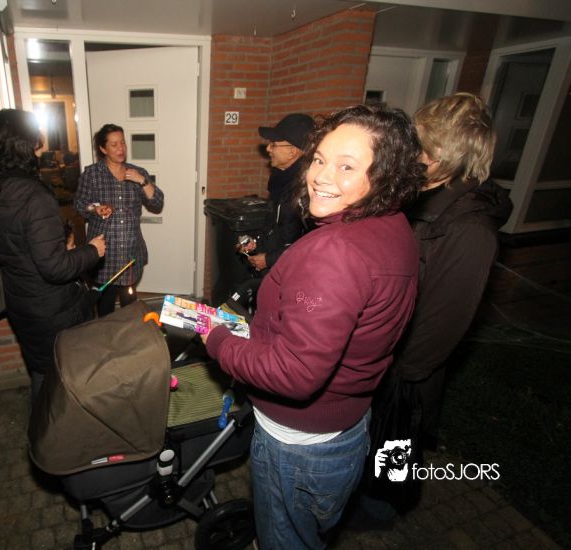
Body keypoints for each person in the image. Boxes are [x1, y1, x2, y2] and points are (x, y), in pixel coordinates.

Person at [202, 105, 425, 549]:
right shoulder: (394, 226)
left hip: (298, 445)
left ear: (386, 176)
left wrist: (217, 338)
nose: (321, 176)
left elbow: (296, 374)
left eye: (347, 166)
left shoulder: (335, 251)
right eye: (320, 159)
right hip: (343, 426)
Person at [397, 92, 513, 448]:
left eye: (417, 143)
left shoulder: (470, 229)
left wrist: (395, 376)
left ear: (438, 154)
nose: (408, 151)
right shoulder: (420, 197)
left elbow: (443, 321)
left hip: (402, 382)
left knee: (387, 470)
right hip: (381, 364)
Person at [0, 109, 106, 407]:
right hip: (52, 308)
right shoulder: (34, 194)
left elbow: (14, 240)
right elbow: (54, 267)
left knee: (43, 370)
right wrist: (92, 250)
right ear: (24, 144)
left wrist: (58, 239)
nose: (40, 147)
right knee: (68, 376)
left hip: (19, 299)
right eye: (35, 141)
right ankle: (65, 431)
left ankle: (42, 429)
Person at [74, 123, 164, 316]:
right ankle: (107, 333)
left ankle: (129, 332)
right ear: (103, 149)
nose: (121, 148)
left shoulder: (137, 172)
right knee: (105, 306)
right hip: (104, 255)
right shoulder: (92, 174)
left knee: (129, 305)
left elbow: (157, 202)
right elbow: (80, 205)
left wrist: (143, 180)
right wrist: (95, 209)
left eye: (122, 142)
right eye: (114, 144)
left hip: (130, 253)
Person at [242, 113, 314, 272]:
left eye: (274, 144)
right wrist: (256, 241)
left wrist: (269, 259)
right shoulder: (280, 180)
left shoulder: (308, 190)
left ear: (292, 151)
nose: (268, 149)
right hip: (276, 266)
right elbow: (273, 224)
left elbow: (308, 245)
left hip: (292, 271)